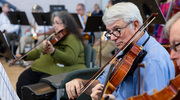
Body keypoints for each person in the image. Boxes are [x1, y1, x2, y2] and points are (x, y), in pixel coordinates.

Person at [65, 2, 175, 100]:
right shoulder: (126, 48)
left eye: (117, 30)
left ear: (135, 25)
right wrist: (82, 84)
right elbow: (102, 84)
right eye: (110, 32)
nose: (112, 38)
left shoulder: (153, 60)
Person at [15, 11, 86, 99]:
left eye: (57, 23)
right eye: (53, 23)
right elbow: (39, 51)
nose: (54, 26)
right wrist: (24, 55)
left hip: (55, 70)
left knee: (40, 88)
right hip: (43, 68)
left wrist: (53, 51)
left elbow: (70, 58)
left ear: (67, 24)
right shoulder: (55, 37)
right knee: (23, 80)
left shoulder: (72, 38)